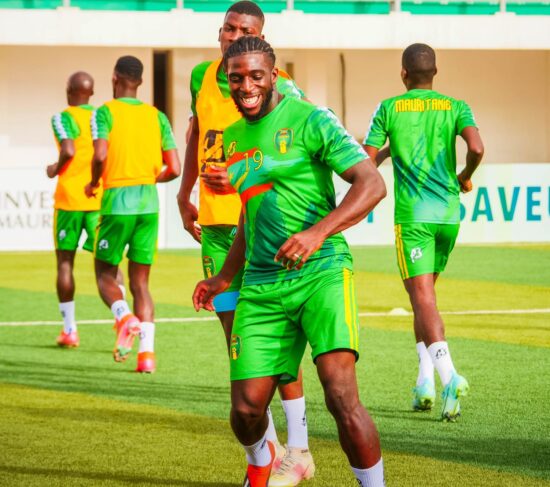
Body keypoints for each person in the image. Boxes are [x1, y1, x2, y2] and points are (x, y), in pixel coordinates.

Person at [193, 36, 387, 487]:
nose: (246, 86)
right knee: (245, 410)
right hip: (261, 283)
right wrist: (225, 276)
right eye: (236, 78)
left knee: (340, 396)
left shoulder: (312, 119)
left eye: (255, 76)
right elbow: (251, 211)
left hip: (321, 273)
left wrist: (317, 233)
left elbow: (372, 184)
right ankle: (264, 459)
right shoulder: (232, 138)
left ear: (274, 76)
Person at [176, 2, 314, 484]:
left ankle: (298, 445)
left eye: (246, 30)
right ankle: (266, 452)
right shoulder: (201, 76)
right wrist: (184, 193)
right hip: (217, 228)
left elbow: (297, 139)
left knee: (275, 339)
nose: (234, 36)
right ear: (220, 32)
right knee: (238, 342)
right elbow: (195, 133)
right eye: (229, 28)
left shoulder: (282, 84)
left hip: (263, 224)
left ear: (262, 38)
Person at [363, 43, 484, 421]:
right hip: (448, 216)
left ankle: (449, 376)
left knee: (423, 298)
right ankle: (424, 382)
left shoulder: (388, 108)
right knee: (424, 299)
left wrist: (385, 154)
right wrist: (464, 176)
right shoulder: (456, 106)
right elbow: (477, 147)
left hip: (413, 218)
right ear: (435, 73)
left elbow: (364, 160)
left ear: (403, 74)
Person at [85, 55, 181, 373]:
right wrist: (149, 179)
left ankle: (124, 317)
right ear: (140, 82)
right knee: (141, 282)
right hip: (149, 204)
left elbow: (100, 154)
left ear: (114, 78)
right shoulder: (157, 116)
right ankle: (147, 356)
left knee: (105, 273)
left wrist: (94, 182)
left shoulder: (104, 112)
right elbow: (174, 168)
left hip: (117, 201)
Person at [48, 71, 107, 348]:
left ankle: (70, 330)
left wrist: (54, 168)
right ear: (91, 93)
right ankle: (123, 319)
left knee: (65, 263)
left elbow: (68, 150)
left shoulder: (62, 117)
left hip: (70, 200)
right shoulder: (101, 117)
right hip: (97, 198)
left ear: (68, 89)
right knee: (109, 262)